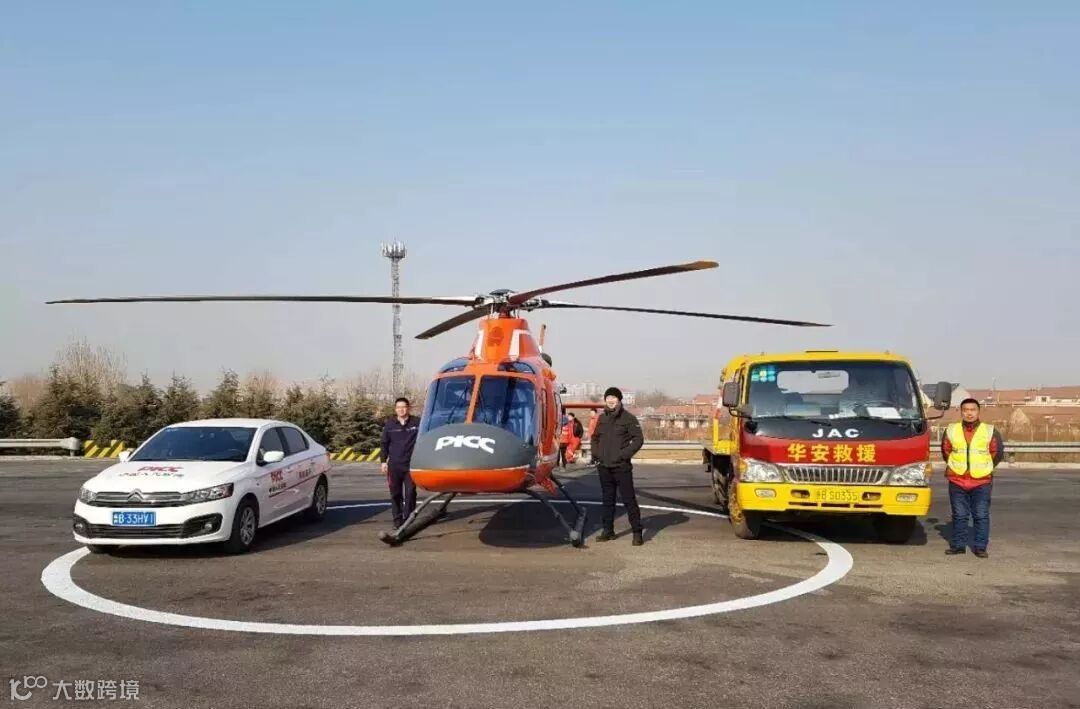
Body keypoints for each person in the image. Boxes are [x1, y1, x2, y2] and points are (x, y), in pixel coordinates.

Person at [941, 398, 1004, 558]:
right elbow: (946, 451)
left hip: (981, 481)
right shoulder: (951, 430)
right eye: (966, 410)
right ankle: (958, 546)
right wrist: (957, 467)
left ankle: (980, 547)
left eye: (973, 410)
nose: (969, 413)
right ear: (961, 412)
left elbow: (996, 453)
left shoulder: (990, 430)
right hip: (957, 479)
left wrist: (984, 468)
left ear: (978, 411)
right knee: (959, 515)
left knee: (981, 515)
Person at [590, 387, 645, 546]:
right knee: (608, 500)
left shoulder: (628, 418)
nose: (611, 400)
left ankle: (637, 532)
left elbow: (638, 439)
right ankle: (608, 530)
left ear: (619, 400)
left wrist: (624, 455)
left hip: (621, 467)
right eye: (608, 398)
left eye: (614, 397)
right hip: (604, 467)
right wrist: (596, 454)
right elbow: (595, 438)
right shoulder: (602, 418)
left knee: (629, 500)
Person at [380, 397, 421, 529]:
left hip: (411, 465)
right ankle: (397, 521)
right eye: (398, 408)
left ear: (408, 408)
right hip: (394, 466)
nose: (401, 410)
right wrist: (383, 461)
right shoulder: (390, 424)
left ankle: (408, 520)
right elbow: (384, 443)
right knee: (395, 494)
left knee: (410, 492)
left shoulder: (417, 422)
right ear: (395, 409)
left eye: (403, 407)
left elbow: (424, 438)